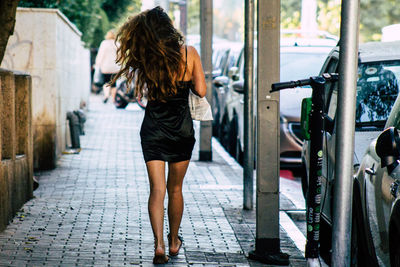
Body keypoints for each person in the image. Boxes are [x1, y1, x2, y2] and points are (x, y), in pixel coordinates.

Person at [111, 6, 206, 264]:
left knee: (157, 190)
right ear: (169, 27)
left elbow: (138, 91)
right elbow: (201, 90)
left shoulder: (147, 56)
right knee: (176, 189)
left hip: (152, 130)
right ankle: (174, 241)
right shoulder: (190, 54)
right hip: (181, 130)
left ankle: (159, 246)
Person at [95, 30, 120, 103]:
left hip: (105, 67)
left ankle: (106, 95)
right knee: (113, 84)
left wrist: (97, 63)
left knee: (106, 82)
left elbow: (100, 55)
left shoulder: (104, 43)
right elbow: (120, 56)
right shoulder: (117, 44)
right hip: (115, 67)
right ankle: (113, 99)